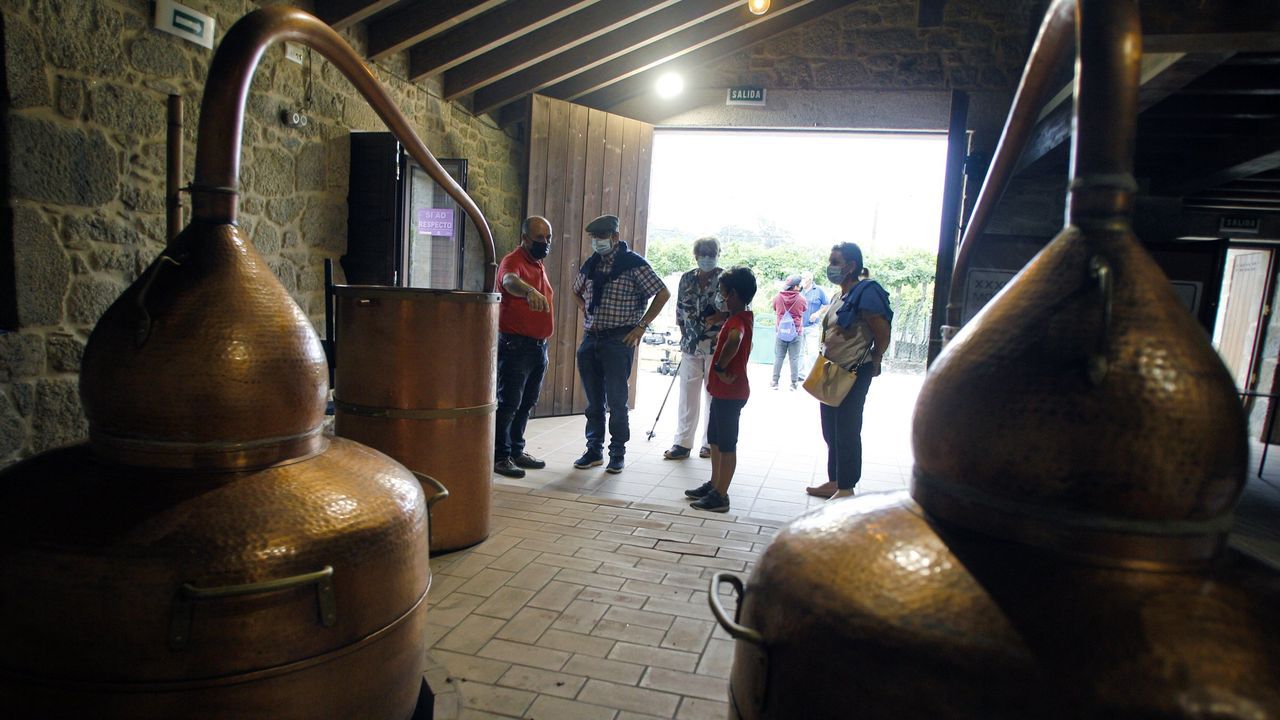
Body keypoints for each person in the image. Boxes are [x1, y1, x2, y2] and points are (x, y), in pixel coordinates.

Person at [572, 214, 671, 474]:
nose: (597, 242)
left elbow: (662, 293)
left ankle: (617, 452)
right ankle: (594, 450)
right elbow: (576, 290)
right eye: (594, 238)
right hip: (591, 338)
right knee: (594, 401)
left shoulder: (633, 263)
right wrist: (585, 309)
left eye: (601, 237)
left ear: (615, 237)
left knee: (617, 401)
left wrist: (642, 325)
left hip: (618, 339)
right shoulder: (592, 264)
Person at [806, 243, 892, 500]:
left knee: (847, 427)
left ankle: (847, 487)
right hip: (832, 368)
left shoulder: (866, 292)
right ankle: (835, 480)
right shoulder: (838, 296)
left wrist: (876, 357)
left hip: (854, 370)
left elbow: (882, 331)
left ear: (851, 266)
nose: (831, 266)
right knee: (830, 427)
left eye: (835, 261)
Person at [685, 266, 756, 513]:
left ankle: (722, 495)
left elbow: (734, 340)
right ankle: (715, 484)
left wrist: (719, 365)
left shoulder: (738, 321)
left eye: (724, 293)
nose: (721, 298)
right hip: (722, 392)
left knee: (727, 445)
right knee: (714, 439)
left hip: (732, 392)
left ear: (734, 294)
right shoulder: (737, 317)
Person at [493, 216, 555, 479]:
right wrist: (529, 291)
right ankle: (500, 456)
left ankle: (516, 450)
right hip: (516, 346)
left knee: (527, 401)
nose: (545, 243)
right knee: (509, 403)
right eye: (540, 238)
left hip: (538, 347)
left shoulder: (538, 263)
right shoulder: (514, 260)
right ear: (525, 238)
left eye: (548, 238)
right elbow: (508, 281)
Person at [665, 237, 728, 461]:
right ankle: (682, 443)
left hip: (717, 346)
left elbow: (739, 310)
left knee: (714, 396)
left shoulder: (727, 279)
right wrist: (685, 335)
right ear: (696, 255)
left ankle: (710, 443)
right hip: (691, 346)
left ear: (718, 254)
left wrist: (721, 316)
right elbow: (680, 309)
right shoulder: (686, 279)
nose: (707, 258)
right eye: (703, 253)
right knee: (687, 396)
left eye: (712, 254)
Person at [770, 275, 807, 390]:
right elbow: (804, 309)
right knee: (794, 358)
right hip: (796, 332)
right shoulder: (801, 299)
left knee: (779, 357)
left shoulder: (777, 297)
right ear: (796, 287)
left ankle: (775, 382)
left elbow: (775, 309)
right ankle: (794, 383)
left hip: (781, 332)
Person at [798, 270, 829, 378]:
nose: (802, 280)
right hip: (799, 326)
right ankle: (800, 374)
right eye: (801, 278)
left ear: (810, 280)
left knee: (812, 352)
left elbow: (827, 304)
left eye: (804, 278)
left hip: (812, 326)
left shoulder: (819, 290)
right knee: (799, 352)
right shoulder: (798, 290)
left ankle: (813, 376)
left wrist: (818, 313)